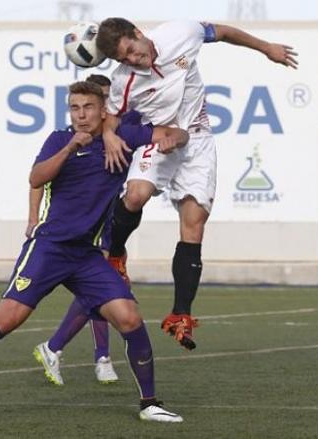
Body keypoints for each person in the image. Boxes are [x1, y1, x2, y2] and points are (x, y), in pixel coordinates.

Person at [0, 81, 189, 422]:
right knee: (6, 320)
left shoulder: (124, 138)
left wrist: (171, 140)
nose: (81, 115)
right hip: (49, 247)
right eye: (74, 108)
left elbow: (176, 133)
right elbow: (36, 177)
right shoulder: (59, 139)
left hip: (85, 255)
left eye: (88, 107)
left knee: (129, 317)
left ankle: (149, 403)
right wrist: (70, 148)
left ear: (102, 110)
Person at [95, 18, 298, 350]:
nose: (132, 59)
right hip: (159, 139)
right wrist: (108, 134)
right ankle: (116, 253)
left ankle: (180, 315)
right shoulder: (123, 81)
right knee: (135, 195)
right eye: (123, 58)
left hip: (198, 142)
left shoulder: (181, 33)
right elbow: (113, 115)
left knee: (194, 223)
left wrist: (267, 49)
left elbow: (225, 32)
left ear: (139, 35)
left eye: (131, 50)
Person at [30, 74, 142, 385]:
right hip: (76, 229)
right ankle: (96, 356)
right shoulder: (64, 139)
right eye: (81, 107)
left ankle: (61, 349)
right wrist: (31, 219)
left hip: (108, 216)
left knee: (104, 286)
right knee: (106, 287)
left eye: (100, 103)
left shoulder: (118, 130)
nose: (94, 113)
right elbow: (38, 180)